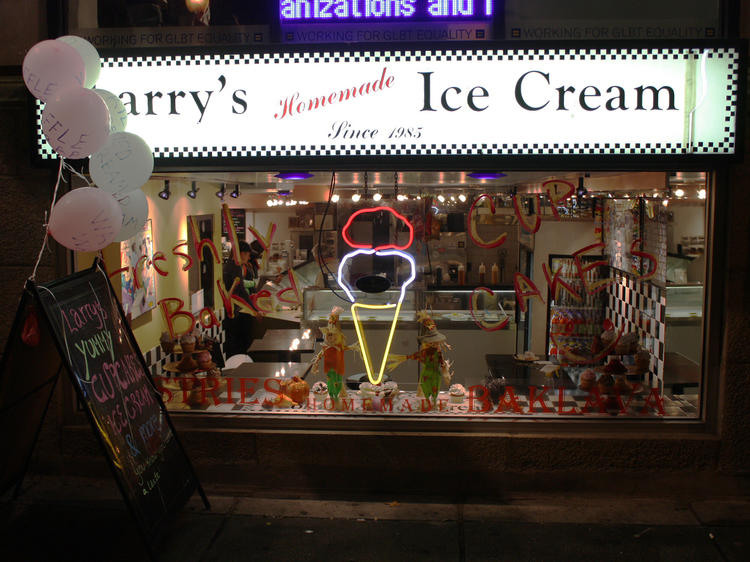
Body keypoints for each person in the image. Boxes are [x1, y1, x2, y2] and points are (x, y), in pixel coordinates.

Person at [222, 241, 259, 358]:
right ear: (242, 254)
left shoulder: (230, 265)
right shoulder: (235, 267)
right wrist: (254, 311)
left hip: (230, 313)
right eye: (248, 254)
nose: (249, 257)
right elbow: (241, 291)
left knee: (233, 347)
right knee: (239, 348)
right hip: (233, 315)